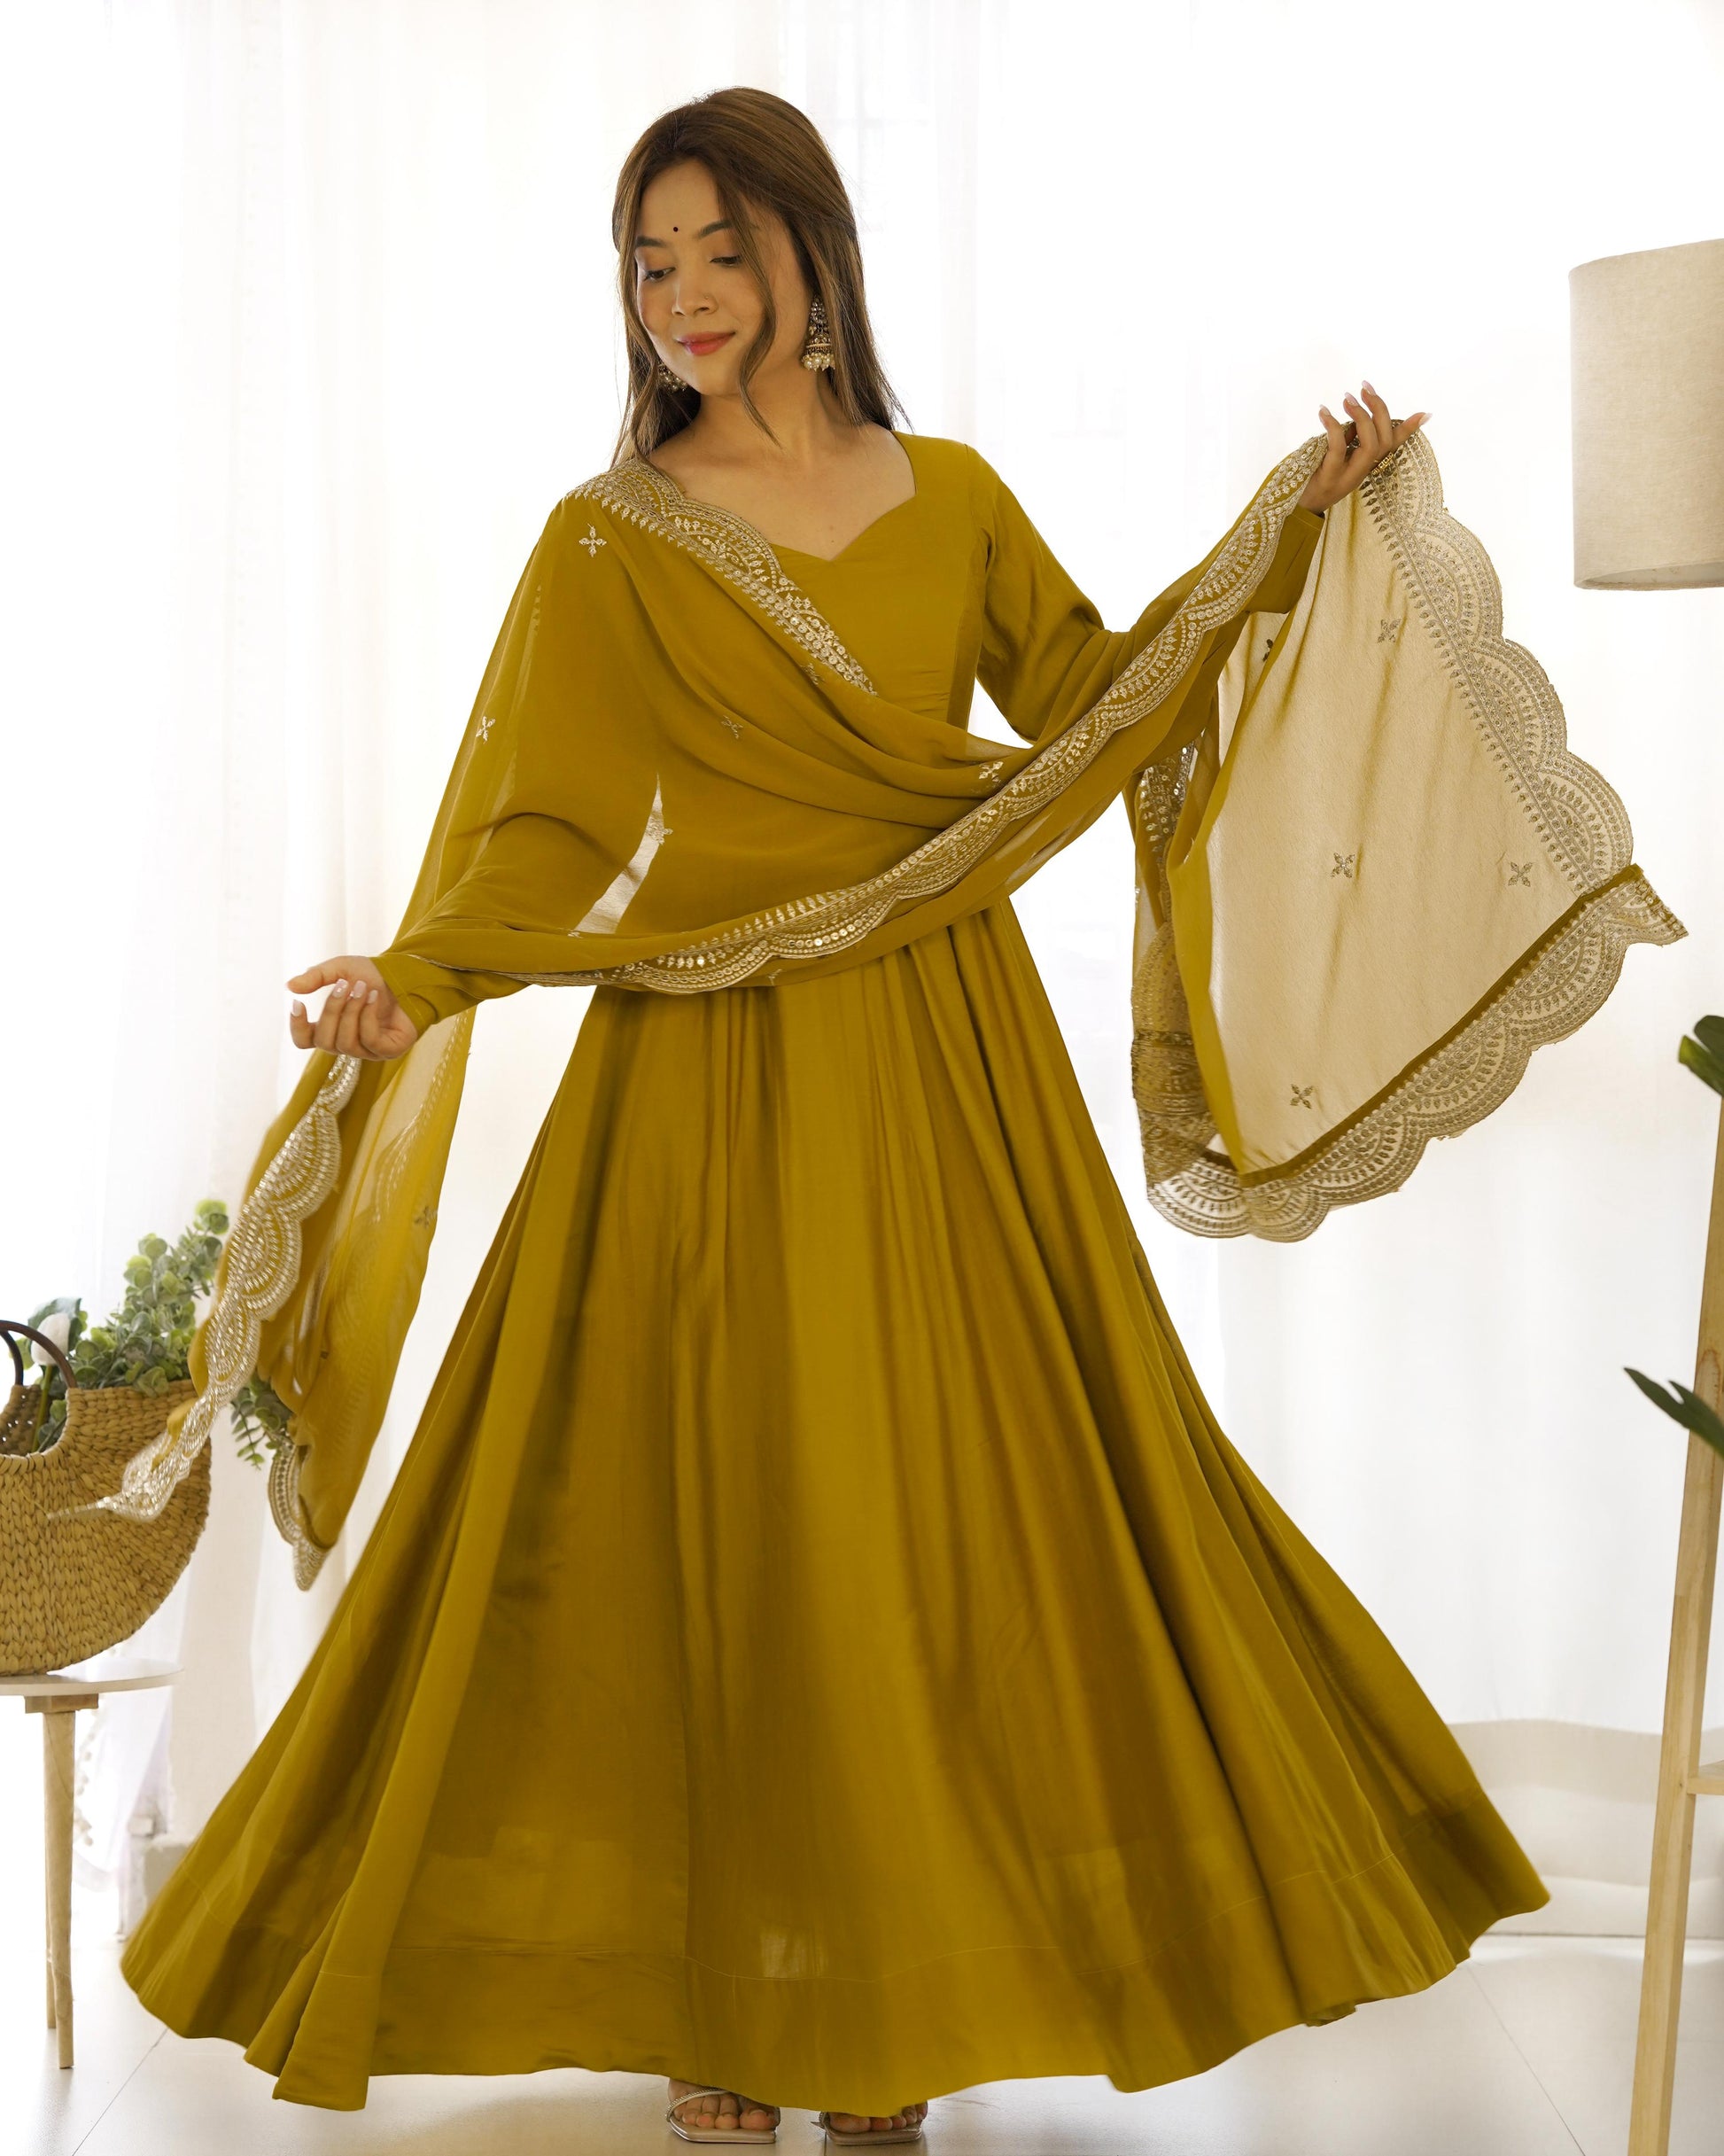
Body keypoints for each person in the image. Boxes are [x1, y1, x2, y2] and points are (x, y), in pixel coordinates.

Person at [123, 84, 1616, 2148]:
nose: (681, 296)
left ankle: (886, 2018)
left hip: (940, 1068)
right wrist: (422, 973)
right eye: (650, 261)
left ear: (811, 259)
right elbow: (547, 826)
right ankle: (727, 2009)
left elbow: (1099, 710)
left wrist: (1285, 534)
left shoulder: (957, 498)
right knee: (712, 1530)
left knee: (959, 1523)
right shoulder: (608, 537)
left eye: (718, 250)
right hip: (701, 1082)